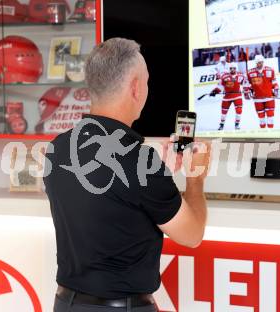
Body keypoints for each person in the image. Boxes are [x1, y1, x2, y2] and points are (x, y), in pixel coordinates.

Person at [44, 38, 211, 312]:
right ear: (135, 88)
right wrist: (196, 179)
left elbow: (109, 197)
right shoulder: (138, 161)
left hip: (66, 303)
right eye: (146, 82)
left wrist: (161, 171)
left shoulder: (58, 148)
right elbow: (192, 235)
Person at [245, 55, 280, 128]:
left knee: (270, 117)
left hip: (269, 97)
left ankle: (271, 134)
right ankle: (263, 133)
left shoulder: (270, 70)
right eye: (258, 63)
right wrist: (247, 91)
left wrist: (276, 89)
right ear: (255, 63)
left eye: (261, 62)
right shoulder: (250, 73)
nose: (259, 64)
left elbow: (274, 82)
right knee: (261, 119)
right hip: (257, 99)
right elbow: (247, 84)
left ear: (263, 62)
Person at [209, 63, 246, 130]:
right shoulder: (224, 76)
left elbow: (245, 84)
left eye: (234, 68)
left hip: (237, 96)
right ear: (229, 69)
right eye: (231, 68)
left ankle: (237, 124)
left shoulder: (240, 76)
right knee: (224, 112)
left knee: (239, 110)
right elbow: (220, 86)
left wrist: (247, 90)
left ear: (236, 69)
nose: (232, 70)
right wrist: (215, 91)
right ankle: (221, 124)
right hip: (227, 96)